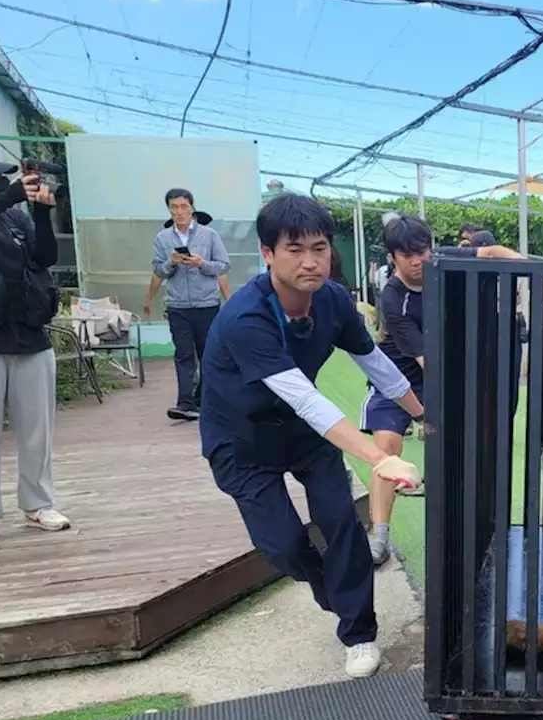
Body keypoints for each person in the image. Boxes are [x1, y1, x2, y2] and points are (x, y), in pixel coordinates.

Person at [198, 193, 423, 678]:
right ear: (268, 254)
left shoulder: (334, 300)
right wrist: (379, 458)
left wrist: (425, 413)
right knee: (283, 547)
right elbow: (306, 398)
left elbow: (376, 365)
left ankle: (359, 632)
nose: (310, 261)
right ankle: (334, 593)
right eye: (294, 249)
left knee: (340, 520)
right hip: (241, 441)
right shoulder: (246, 318)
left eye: (319, 248)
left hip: (302, 434)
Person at [361, 214, 522, 565]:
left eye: (423, 251)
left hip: (436, 372)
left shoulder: (443, 261)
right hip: (399, 375)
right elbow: (427, 362)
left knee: (461, 446)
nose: (418, 261)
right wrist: (427, 412)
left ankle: (468, 526)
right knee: (387, 447)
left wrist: (532, 266)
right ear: (393, 258)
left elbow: (492, 251)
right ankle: (380, 536)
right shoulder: (393, 298)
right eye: (408, 255)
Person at [0, 147, 70, 549]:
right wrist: (10, 196)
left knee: (37, 431)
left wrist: (40, 211)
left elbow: (44, 258)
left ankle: (39, 504)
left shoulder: (16, 219)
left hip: (30, 337)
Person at [145, 189, 231, 422]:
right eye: (174, 207)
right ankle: (184, 403)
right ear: (169, 210)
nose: (179, 212)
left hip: (207, 305)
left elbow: (223, 266)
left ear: (192, 207)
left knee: (208, 355)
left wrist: (201, 263)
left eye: (184, 206)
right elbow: (158, 271)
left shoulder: (209, 235)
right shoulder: (162, 238)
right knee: (183, 354)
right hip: (178, 306)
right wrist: (171, 263)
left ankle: (204, 401)